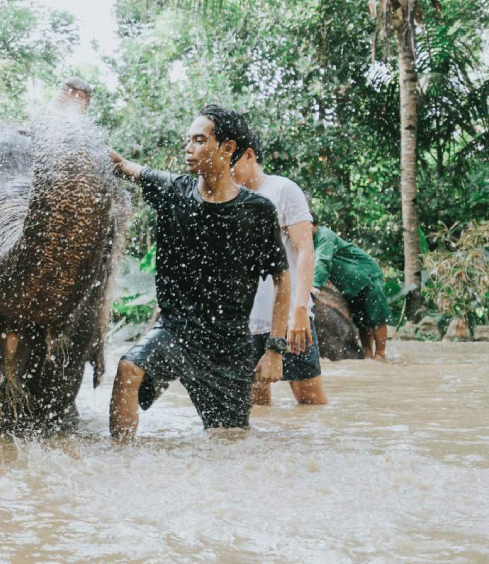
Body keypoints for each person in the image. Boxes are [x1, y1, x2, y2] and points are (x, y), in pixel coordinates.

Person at [108, 105, 294, 438]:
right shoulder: (173, 191)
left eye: (198, 140)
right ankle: (122, 462)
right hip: (176, 332)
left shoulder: (257, 211)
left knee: (228, 445)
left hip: (229, 348)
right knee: (128, 369)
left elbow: (282, 278)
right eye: (188, 140)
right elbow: (123, 165)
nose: (188, 148)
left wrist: (274, 350)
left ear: (227, 148)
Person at [231, 132, 327, 405]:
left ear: (249, 155)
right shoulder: (231, 196)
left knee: (311, 404)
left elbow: (306, 251)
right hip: (247, 324)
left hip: (289, 321)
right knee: (257, 410)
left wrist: (300, 311)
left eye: (232, 165)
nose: (227, 172)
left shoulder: (283, 189)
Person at [311, 214, 392, 360]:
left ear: (312, 223)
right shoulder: (308, 242)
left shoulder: (324, 235)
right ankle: (368, 354)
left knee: (376, 317)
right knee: (362, 321)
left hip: (367, 276)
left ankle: (381, 354)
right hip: (351, 285)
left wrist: (315, 285)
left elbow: (323, 261)